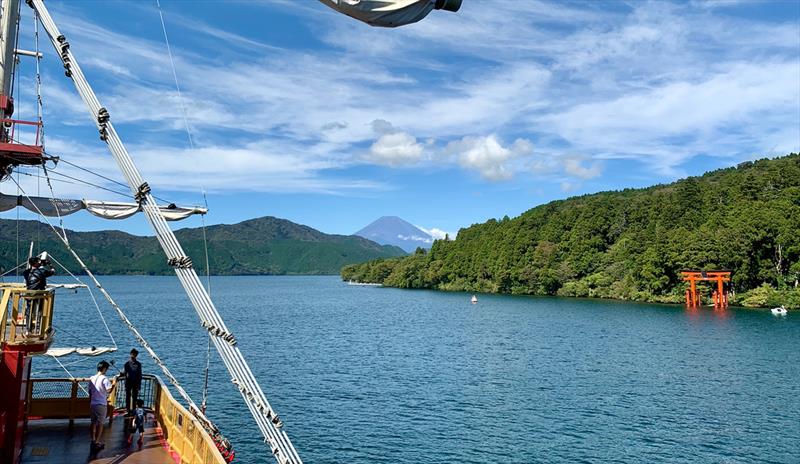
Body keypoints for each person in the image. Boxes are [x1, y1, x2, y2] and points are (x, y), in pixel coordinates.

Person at [88, 361, 115, 450]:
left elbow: (90, 392)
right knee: (100, 424)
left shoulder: (91, 378)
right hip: (101, 404)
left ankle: (93, 440)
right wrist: (114, 384)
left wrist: (90, 402)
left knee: (93, 423)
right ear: (104, 369)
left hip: (93, 404)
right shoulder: (104, 379)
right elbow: (109, 391)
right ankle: (97, 442)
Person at [124, 348, 142, 415]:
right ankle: (128, 410)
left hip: (135, 383)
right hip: (128, 382)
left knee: (135, 397)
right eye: (132, 354)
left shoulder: (138, 364)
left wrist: (139, 385)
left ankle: (134, 409)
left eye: (134, 354)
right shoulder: (126, 364)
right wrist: (124, 375)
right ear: (130, 354)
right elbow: (125, 373)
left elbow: (139, 375)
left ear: (136, 355)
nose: (133, 355)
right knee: (127, 396)